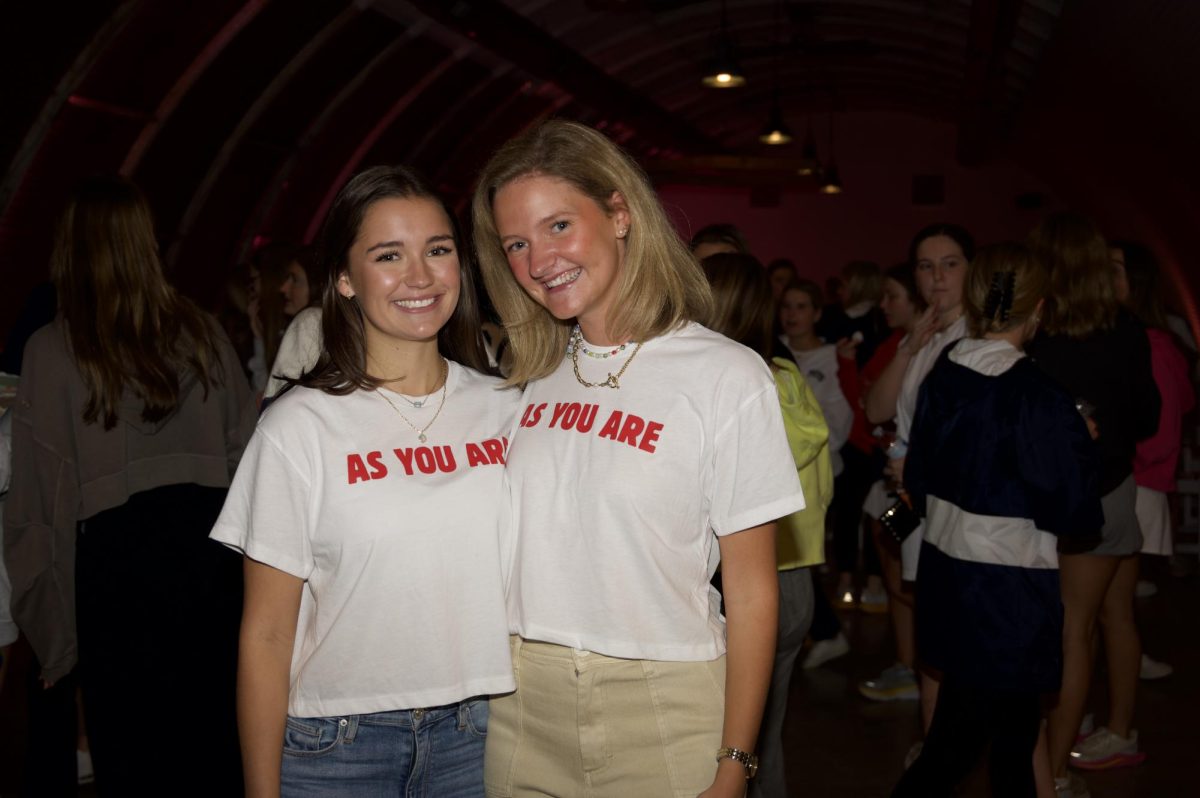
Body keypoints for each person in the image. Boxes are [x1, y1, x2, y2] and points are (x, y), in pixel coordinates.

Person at [472, 119, 804, 797]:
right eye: (516, 243)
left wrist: (735, 762)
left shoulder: (726, 375)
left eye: (559, 226)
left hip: (666, 704)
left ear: (620, 212)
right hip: (520, 704)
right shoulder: (520, 377)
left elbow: (750, 589)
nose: (540, 261)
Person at [211, 166, 517, 797]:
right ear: (345, 280)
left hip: (484, 735)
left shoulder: (511, 410)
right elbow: (267, 633)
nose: (420, 276)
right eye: (388, 255)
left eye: (438, 250)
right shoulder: (299, 427)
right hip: (336, 748)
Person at [5, 176, 256, 793]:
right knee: (214, 751)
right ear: (146, 243)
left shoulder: (52, 351)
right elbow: (250, 460)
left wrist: (55, 641)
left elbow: (42, 508)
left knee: (133, 759)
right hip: (209, 564)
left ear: (69, 247)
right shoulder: (203, 333)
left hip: (114, 579)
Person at [893, 243, 1102, 797]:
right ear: (1039, 310)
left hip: (947, 574)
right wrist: (1081, 447)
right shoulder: (1037, 397)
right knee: (957, 751)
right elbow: (1075, 510)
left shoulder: (945, 370)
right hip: (1007, 591)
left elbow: (918, 473)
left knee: (1007, 738)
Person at [1028, 214, 1160, 790]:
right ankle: (1111, 730)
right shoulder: (1127, 329)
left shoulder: (1039, 337)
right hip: (1114, 492)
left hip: (1058, 501)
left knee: (1070, 630)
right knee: (1112, 617)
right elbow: (1149, 416)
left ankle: (1053, 768)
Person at [703, 252, 834, 798]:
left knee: (720, 743)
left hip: (737, 583)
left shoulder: (722, 385)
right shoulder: (786, 376)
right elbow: (821, 479)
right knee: (765, 734)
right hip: (796, 579)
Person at [859, 224, 972, 715]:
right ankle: (933, 747)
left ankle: (942, 751)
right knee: (930, 626)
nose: (938, 278)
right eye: (926, 267)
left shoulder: (978, 339)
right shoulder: (924, 335)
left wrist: (920, 466)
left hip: (951, 506)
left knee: (951, 633)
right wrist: (907, 347)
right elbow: (876, 411)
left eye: (950, 265)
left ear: (972, 270)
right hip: (913, 501)